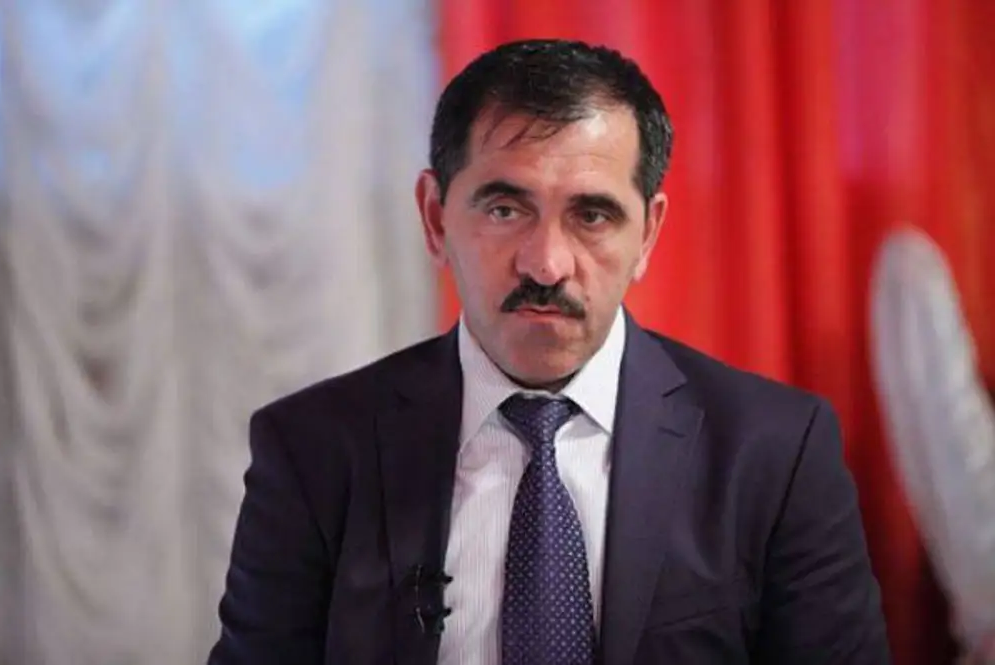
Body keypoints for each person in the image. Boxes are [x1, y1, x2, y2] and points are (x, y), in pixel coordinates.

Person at [208, 39, 891, 665]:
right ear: (435, 219)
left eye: (592, 215)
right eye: (505, 210)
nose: (546, 263)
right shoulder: (313, 450)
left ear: (648, 234)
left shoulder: (774, 452)